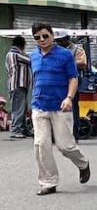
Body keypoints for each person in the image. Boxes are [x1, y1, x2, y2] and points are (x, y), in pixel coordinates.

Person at [28, 22, 91, 196]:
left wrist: (69, 98)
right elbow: (36, 79)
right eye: (37, 37)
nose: (42, 40)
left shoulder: (65, 55)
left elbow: (73, 78)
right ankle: (48, 182)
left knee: (65, 146)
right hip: (39, 106)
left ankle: (83, 164)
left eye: (45, 36)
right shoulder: (33, 56)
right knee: (41, 145)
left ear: (52, 35)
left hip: (61, 107)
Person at [5, 35, 32, 139]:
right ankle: (15, 130)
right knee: (18, 108)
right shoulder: (15, 54)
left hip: (20, 84)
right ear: (22, 45)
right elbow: (30, 60)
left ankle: (23, 129)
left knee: (23, 107)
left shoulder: (11, 54)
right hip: (18, 84)